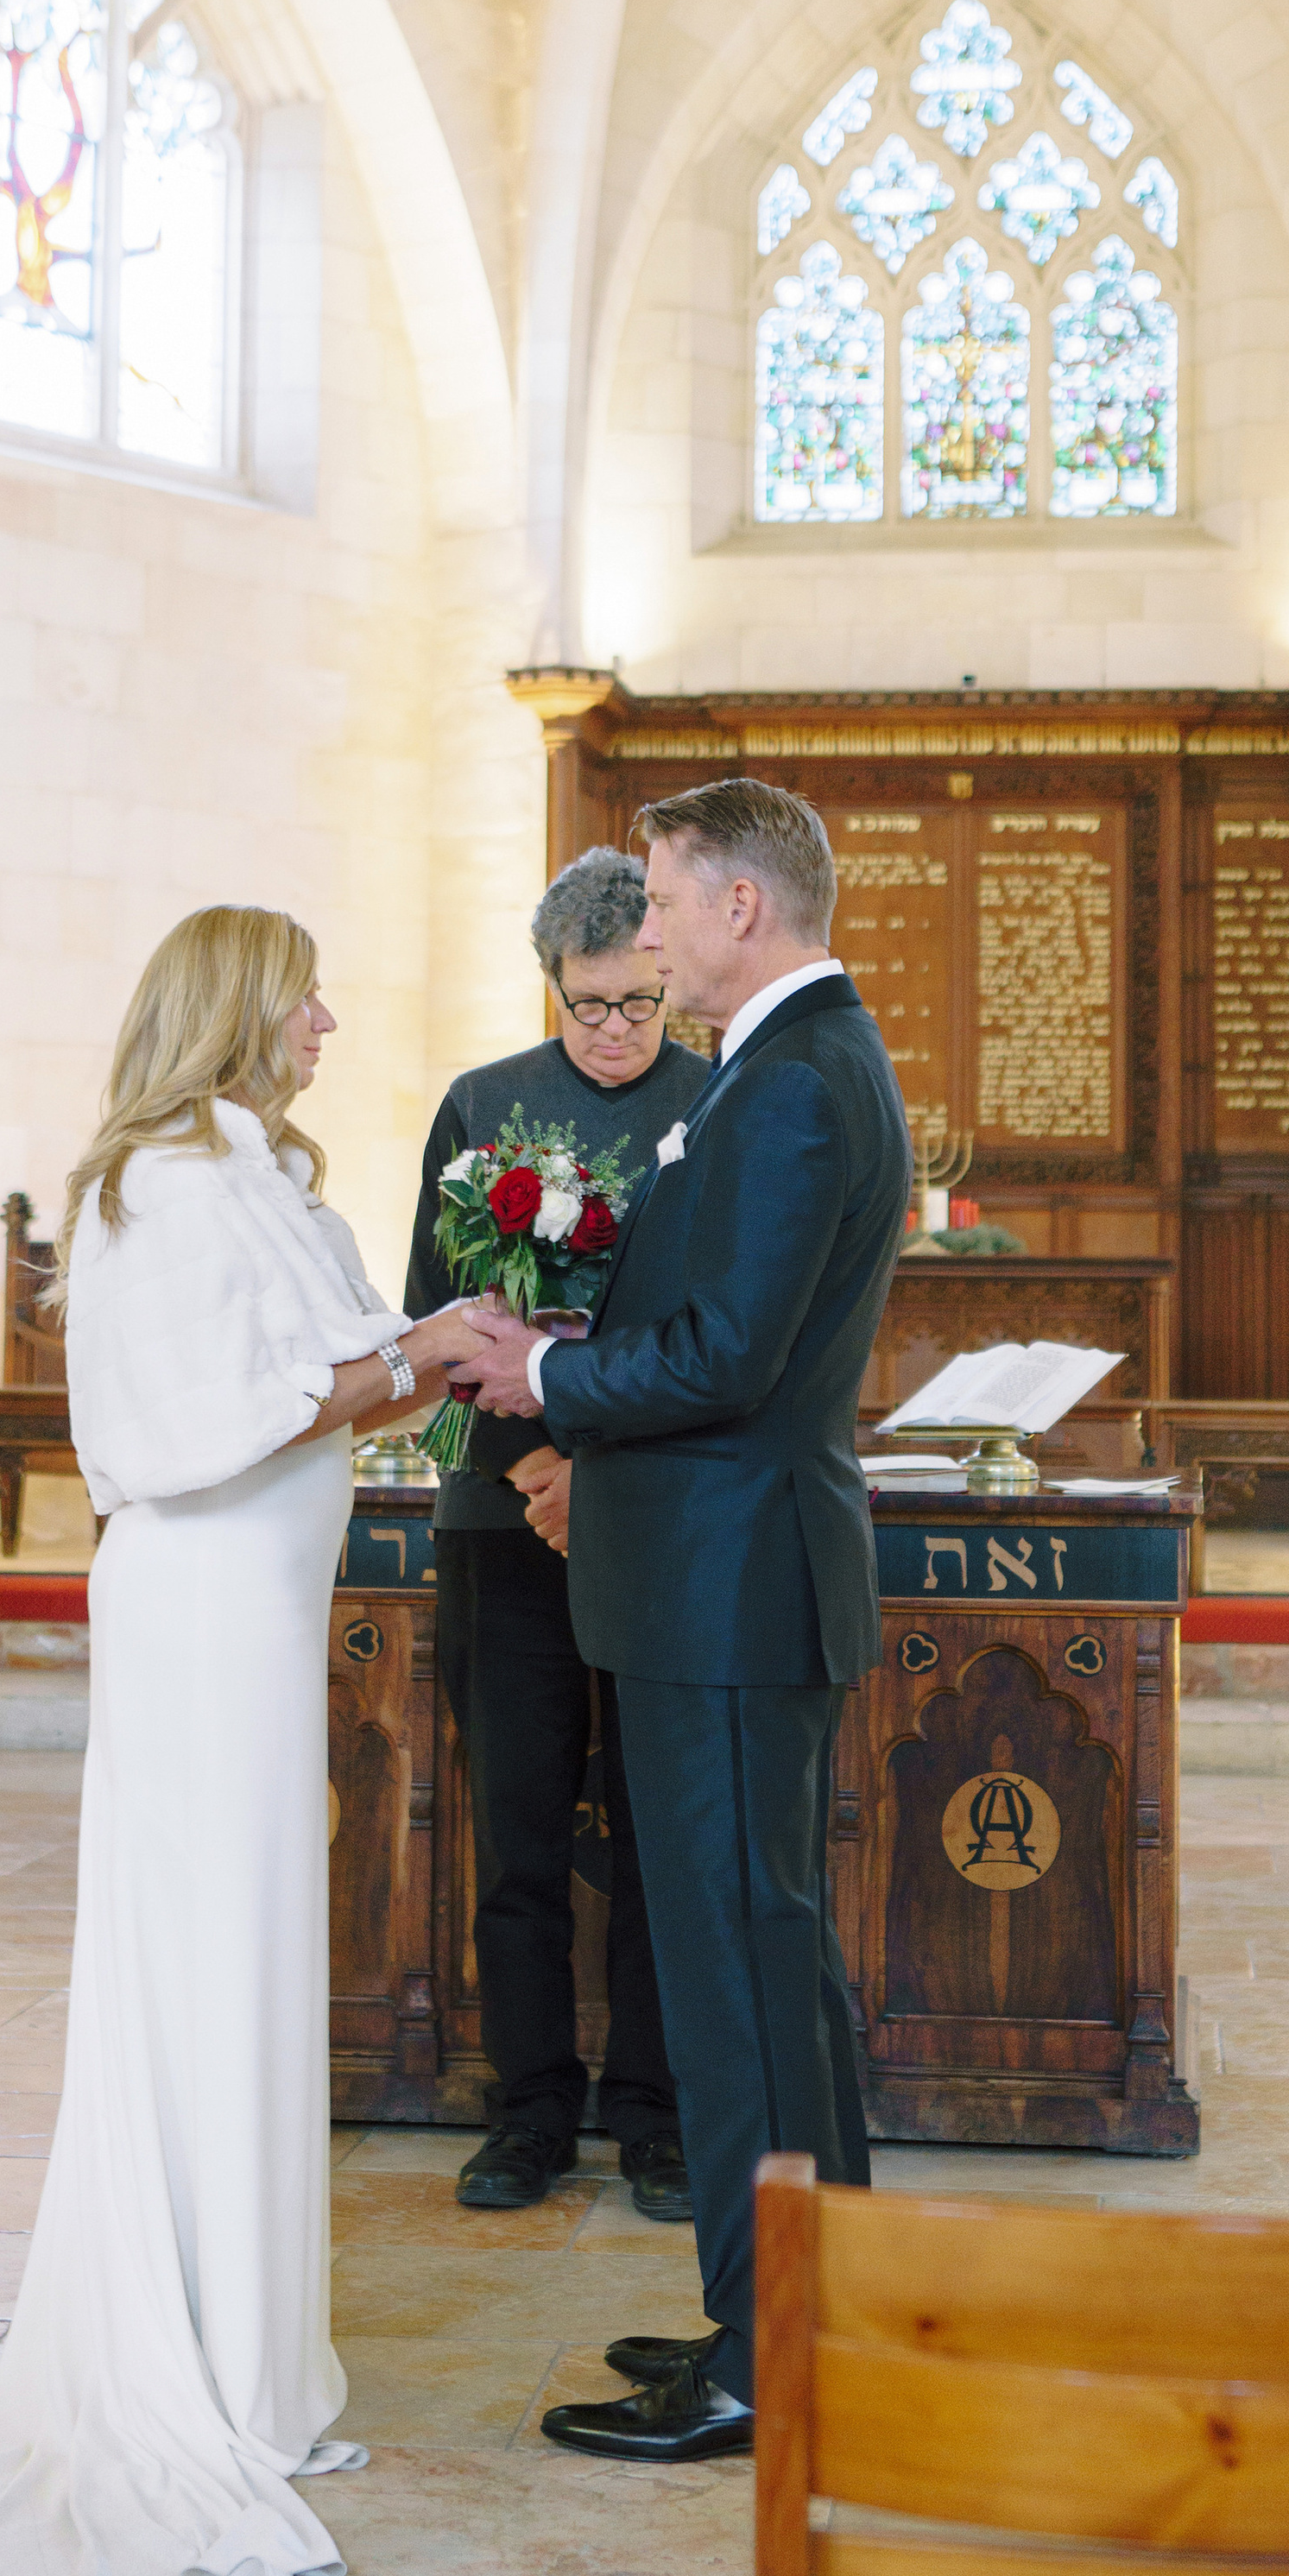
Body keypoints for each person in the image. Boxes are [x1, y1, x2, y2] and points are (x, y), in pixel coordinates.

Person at [0, 906, 489, 2576]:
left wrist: (443, 1347)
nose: (328, 1022)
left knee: (250, 1964)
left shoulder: (257, 1179)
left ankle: (248, 2362)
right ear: (237, 1010)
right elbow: (204, 1424)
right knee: (199, 1964)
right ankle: (177, 2365)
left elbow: (341, 1381)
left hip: (258, 1617)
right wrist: (423, 1348)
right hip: (200, 1614)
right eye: (304, 998)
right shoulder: (167, 1186)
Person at [464, 779, 910, 2465]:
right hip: (721, 1575)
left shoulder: (791, 1080)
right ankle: (799, 2311)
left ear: (738, 905)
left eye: (659, 900)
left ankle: (769, 2360)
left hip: (725, 1591)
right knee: (765, 1965)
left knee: (738, 1978)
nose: (642, 932)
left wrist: (549, 1373)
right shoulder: (792, 1063)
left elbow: (730, 1356)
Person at [408, 849, 708, 2218]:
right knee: (516, 1829)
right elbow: (431, 1324)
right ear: (551, 986)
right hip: (498, 1512)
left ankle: (654, 2112)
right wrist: (538, 1468)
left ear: (669, 981)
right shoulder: (481, 1106)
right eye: (588, 1005)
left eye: (639, 1003)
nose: (614, 1031)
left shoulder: (716, 1105)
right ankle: (527, 2111)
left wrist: (607, 1480)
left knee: (658, 1831)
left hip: (656, 1521)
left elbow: (717, 1335)